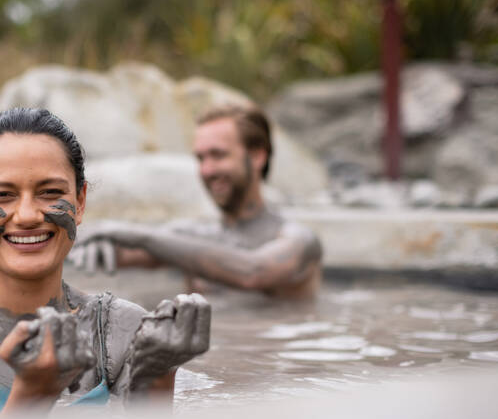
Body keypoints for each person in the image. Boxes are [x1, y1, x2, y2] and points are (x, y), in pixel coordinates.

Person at [0, 108, 211, 416]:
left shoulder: (121, 330)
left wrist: (157, 378)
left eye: (50, 193)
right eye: (2, 195)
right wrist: (33, 394)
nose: (28, 215)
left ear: (79, 201)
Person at [71, 104, 322, 300]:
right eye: (200, 158)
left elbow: (252, 272)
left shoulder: (298, 241)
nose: (207, 170)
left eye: (218, 155)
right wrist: (95, 244)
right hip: (202, 364)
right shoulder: (191, 235)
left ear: (257, 156)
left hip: (271, 364)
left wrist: (139, 234)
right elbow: (113, 254)